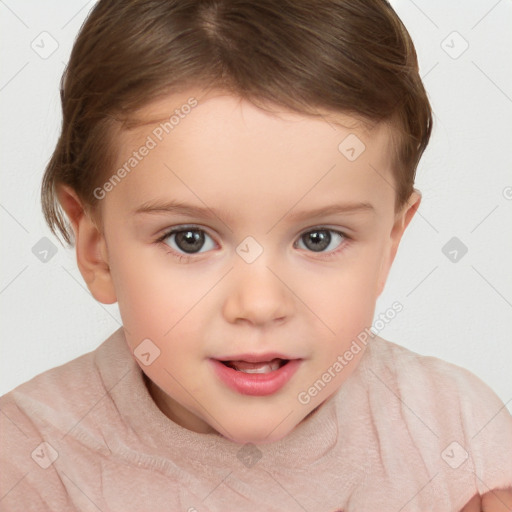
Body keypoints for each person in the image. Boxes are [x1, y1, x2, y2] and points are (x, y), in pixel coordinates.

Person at [1, 0, 511, 510]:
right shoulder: (26, 464)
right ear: (98, 250)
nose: (260, 304)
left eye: (319, 238)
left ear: (389, 245)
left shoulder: (461, 440)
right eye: (189, 239)